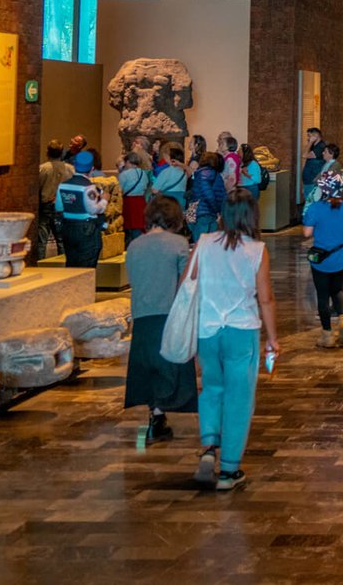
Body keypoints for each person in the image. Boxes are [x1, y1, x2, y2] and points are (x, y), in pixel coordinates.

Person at [189, 189, 279, 492]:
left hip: (207, 330)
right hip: (242, 329)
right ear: (252, 216)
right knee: (239, 397)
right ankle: (229, 469)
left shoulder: (203, 244)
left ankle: (208, 446)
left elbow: (186, 286)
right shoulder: (257, 250)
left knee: (212, 388)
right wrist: (273, 339)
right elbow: (265, 298)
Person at [123, 195, 196, 444]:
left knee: (148, 368)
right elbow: (186, 282)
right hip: (169, 313)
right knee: (170, 366)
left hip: (142, 313)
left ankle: (156, 414)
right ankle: (163, 412)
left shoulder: (134, 245)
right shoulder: (178, 244)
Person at [303, 172, 343, 349]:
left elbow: (307, 233)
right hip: (341, 257)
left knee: (323, 295)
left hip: (321, 260)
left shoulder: (315, 208)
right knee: (337, 289)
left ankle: (327, 334)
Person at [54, 151, 107, 267]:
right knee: (87, 267)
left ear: (74, 167)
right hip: (86, 229)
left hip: (68, 227)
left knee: (72, 264)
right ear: (92, 169)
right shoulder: (88, 188)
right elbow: (93, 209)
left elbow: (58, 207)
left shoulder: (62, 185)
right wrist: (104, 200)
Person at [37, 141, 74, 258]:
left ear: (47, 152)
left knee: (42, 241)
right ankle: (62, 262)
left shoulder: (42, 169)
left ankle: (40, 263)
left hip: (46, 206)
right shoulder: (70, 169)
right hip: (63, 206)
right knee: (61, 240)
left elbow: (38, 187)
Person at [190, 151, 226, 238]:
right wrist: (219, 210)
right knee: (212, 241)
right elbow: (222, 194)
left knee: (200, 241)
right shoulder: (218, 175)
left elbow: (207, 193)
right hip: (213, 213)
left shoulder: (201, 174)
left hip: (203, 211)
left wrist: (214, 207)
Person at [119, 151, 152, 244]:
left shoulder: (124, 174)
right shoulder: (144, 173)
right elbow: (146, 186)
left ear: (128, 162)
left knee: (129, 226)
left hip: (128, 202)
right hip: (141, 201)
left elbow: (119, 189)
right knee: (139, 226)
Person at [151, 146, 189, 213]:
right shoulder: (184, 171)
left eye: (166, 155)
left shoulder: (166, 171)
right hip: (181, 201)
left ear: (170, 158)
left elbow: (155, 190)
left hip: (168, 202)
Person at [301, 127, 327, 198]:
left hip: (313, 182)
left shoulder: (320, 147)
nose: (308, 138)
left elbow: (304, 155)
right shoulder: (314, 146)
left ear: (316, 136)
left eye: (309, 136)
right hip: (309, 182)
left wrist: (310, 142)